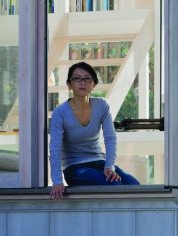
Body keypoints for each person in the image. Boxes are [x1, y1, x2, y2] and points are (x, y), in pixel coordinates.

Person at [49, 62, 140, 199]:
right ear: (69, 84)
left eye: (87, 78)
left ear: (94, 84)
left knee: (136, 187)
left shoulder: (102, 105)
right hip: (75, 168)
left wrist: (110, 166)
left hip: (99, 162)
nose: (82, 83)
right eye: (77, 78)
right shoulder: (60, 112)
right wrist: (57, 181)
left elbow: (110, 138)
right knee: (115, 186)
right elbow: (54, 148)